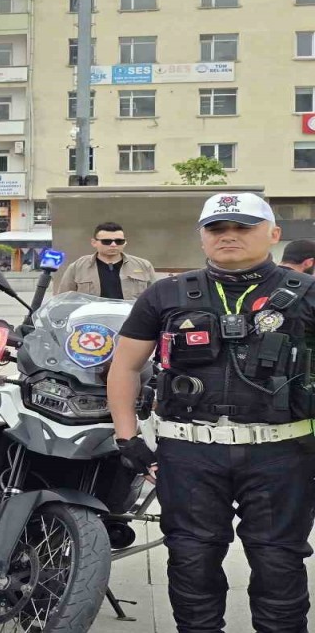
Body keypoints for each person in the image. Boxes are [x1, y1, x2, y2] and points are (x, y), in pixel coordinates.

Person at [108, 193, 315, 633]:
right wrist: (127, 437)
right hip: (189, 453)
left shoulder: (308, 295)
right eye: (218, 229)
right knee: (191, 560)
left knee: (279, 563)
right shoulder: (166, 293)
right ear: (202, 237)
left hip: (283, 453)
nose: (229, 237)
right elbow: (124, 366)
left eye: (243, 227)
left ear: (273, 234)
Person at [56, 221, 156, 300]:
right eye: (106, 241)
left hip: (131, 320)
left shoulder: (143, 266)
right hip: (91, 321)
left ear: (125, 242)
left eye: (119, 241)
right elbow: (63, 299)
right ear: (94, 242)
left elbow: (156, 298)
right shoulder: (78, 267)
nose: (113, 245)